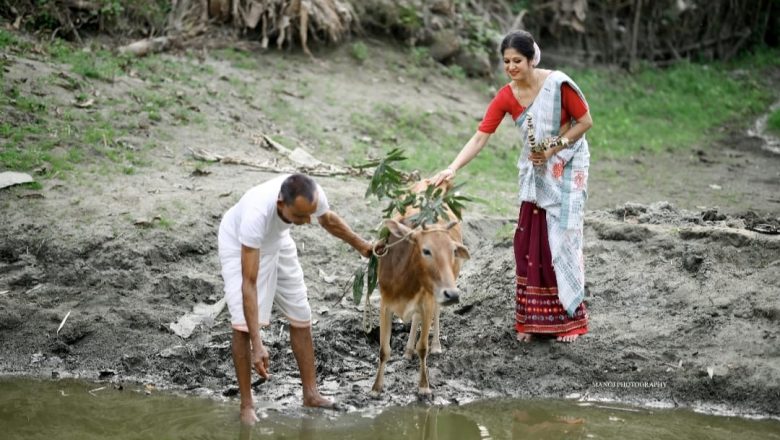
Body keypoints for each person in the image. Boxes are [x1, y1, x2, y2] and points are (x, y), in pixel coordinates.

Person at [432, 30, 592, 343]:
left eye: (517, 60)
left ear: (532, 59)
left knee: (560, 241)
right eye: (506, 61)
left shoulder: (558, 84)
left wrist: (552, 148)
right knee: (528, 247)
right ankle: (532, 322)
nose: (511, 67)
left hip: (565, 165)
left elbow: (585, 122)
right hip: (535, 172)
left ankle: (568, 323)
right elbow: (480, 136)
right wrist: (451, 167)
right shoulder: (507, 95)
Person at [218, 173, 374, 425]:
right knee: (243, 325)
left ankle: (310, 394)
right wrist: (258, 344)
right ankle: (247, 404)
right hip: (239, 244)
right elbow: (249, 284)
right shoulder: (256, 215)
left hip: (278, 240)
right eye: (300, 217)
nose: (307, 222)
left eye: (309, 214)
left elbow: (328, 220)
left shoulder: (311, 194)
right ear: (281, 203)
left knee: (301, 313)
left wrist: (361, 245)